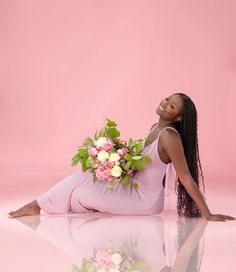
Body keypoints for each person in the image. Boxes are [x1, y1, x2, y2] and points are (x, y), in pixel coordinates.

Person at [8, 93, 235, 221]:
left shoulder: (169, 137)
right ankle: (37, 204)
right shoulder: (155, 128)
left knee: (81, 193)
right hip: (133, 190)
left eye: (172, 106)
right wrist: (119, 161)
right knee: (87, 173)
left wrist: (208, 213)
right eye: (167, 99)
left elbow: (184, 177)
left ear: (178, 117)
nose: (165, 104)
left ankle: (40, 205)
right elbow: (155, 169)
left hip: (144, 201)